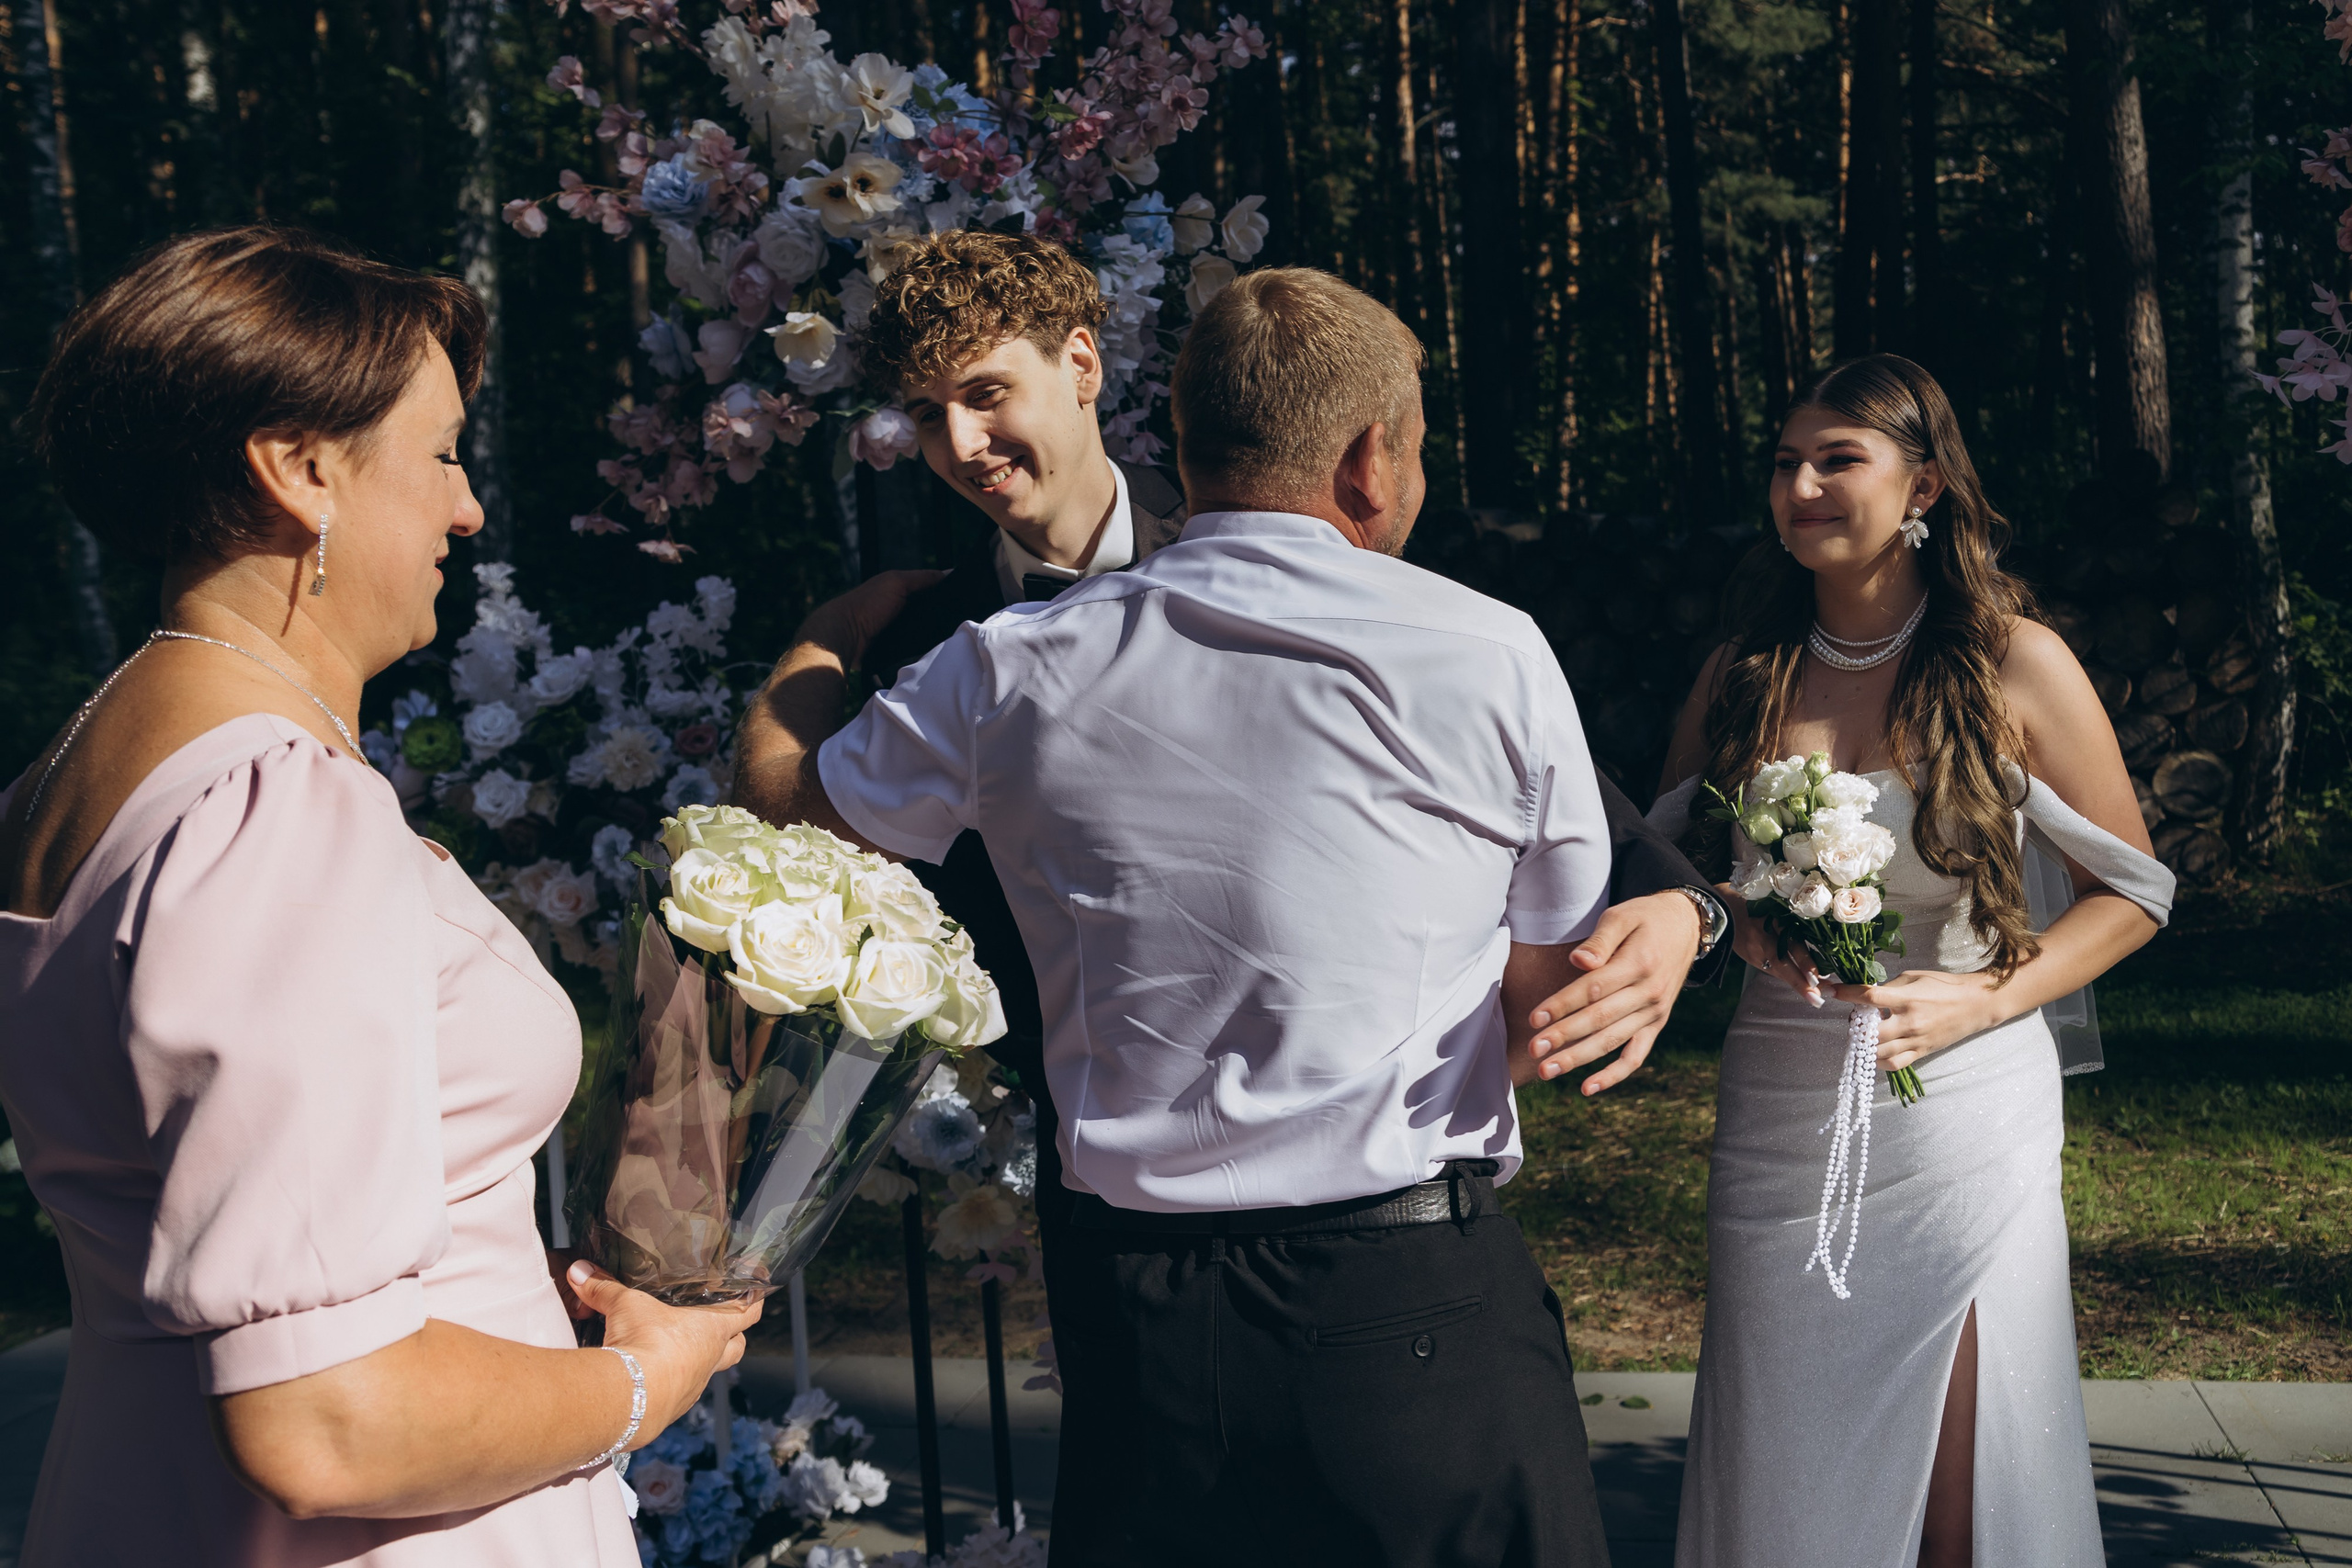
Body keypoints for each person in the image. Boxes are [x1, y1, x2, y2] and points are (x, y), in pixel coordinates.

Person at [733, 265, 1661, 1566]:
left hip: (1147, 1330)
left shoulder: (997, 664)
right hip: (1412, 1308)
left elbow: (786, 816)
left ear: (1177, 438)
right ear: (1370, 459)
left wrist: (822, 644)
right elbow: (1543, 1003)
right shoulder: (1489, 648)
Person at [0, 226, 758, 1566]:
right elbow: (325, 1419)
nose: (468, 510)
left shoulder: (72, 772)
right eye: (443, 453)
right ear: (300, 471)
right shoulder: (275, 809)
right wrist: (649, 1378)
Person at [1653, 355, 2174, 1568]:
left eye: (1838, 460)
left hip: (1963, 1113)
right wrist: (1738, 916)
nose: (1801, 487)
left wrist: (1987, 998)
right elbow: (1662, 868)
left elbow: (2135, 891)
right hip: (1780, 1110)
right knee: (1788, 1450)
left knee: (1958, 1474)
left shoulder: (2013, 661)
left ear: (1925, 485)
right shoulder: (1742, 673)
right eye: (1786, 463)